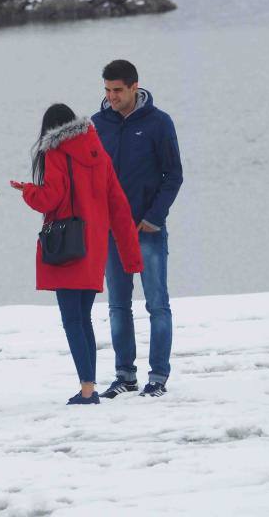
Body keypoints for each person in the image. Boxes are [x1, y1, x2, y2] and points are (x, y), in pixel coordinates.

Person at [11, 103, 142, 405]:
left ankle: (87, 390)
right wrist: (131, 256)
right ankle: (89, 386)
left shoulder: (56, 153)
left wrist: (28, 190)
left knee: (73, 319)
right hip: (93, 247)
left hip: (68, 248)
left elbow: (49, 199)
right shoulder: (98, 152)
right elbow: (119, 205)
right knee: (83, 318)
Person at [91, 60, 183, 398]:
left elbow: (173, 175)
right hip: (111, 232)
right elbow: (90, 178)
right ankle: (125, 375)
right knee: (117, 306)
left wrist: (155, 216)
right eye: (107, 90)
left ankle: (157, 376)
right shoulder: (97, 124)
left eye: (117, 90)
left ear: (134, 87)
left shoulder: (159, 123)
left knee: (157, 304)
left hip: (148, 229)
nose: (111, 97)